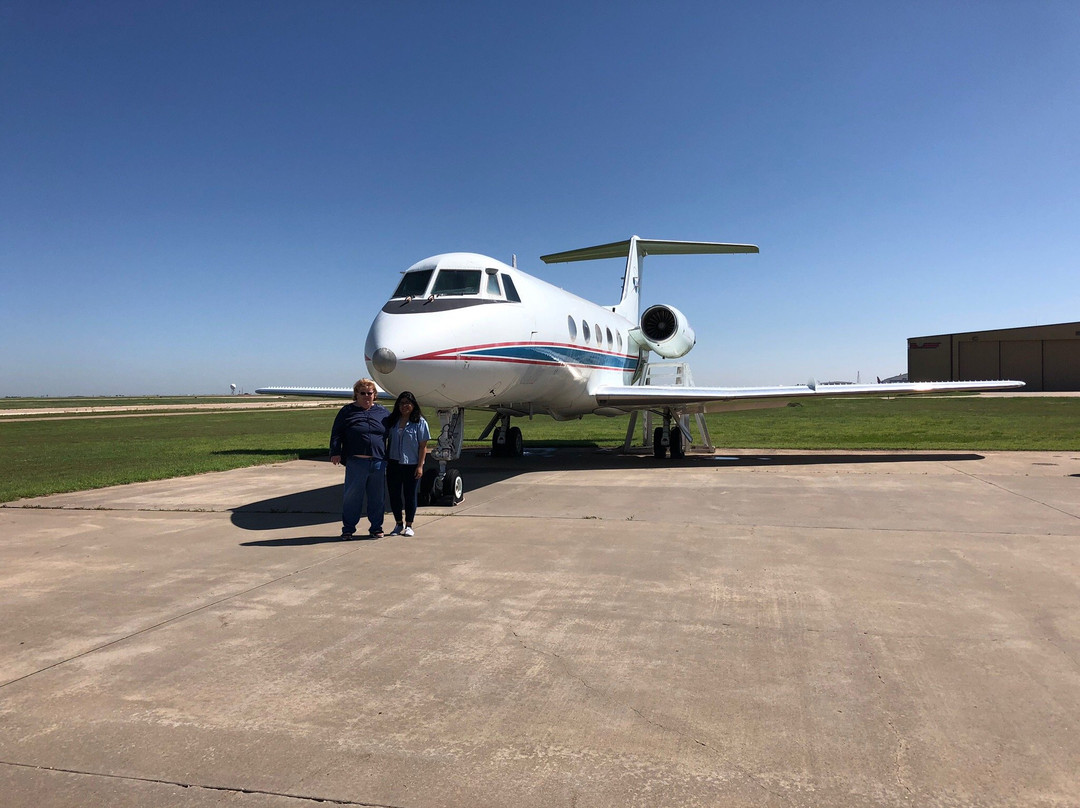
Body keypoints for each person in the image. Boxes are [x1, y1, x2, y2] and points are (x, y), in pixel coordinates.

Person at [330, 378, 391, 539]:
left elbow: (393, 432)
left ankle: (376, 528)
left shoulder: (383, 412)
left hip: (378, 461)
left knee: (377, 498)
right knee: (352, 498)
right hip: (356, 462)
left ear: (375, 395)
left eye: (369, 393)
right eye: (362, 393)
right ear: (356, 395)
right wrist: (335, 451)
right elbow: (337, 432)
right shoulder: (347, 411)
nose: (366, 396)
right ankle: (348, 529)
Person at [384, 391, 430, 537]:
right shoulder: (393, 421)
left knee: (410, 495)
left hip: (411, 464)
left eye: (407, 403)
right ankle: (398, 523)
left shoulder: (420, 422)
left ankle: (409, 525)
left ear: (413, 405)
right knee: (394, 495)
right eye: (402, 403)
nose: (404, 406)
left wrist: (420, 465)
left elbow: (423, 446)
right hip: (394, 463)